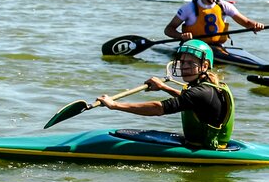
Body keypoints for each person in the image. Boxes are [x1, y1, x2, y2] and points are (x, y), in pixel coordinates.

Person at [98, 41, 234, 150]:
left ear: (204, 66)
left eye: (190, 63)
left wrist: (115, 105)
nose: (184, 67)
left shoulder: (200, 92)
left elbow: (159, 108)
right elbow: (188, 101)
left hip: (204, 148)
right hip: (213, 144)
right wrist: (163, 87)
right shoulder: (212, 87)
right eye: (182, 62)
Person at [163, 0, 264, 52]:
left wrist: (256, 25)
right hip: (194, 48)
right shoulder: (188, 8)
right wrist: (181, 36)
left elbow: (246, 23)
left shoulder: (224, 6)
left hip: (217, 48)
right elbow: (168, 29)